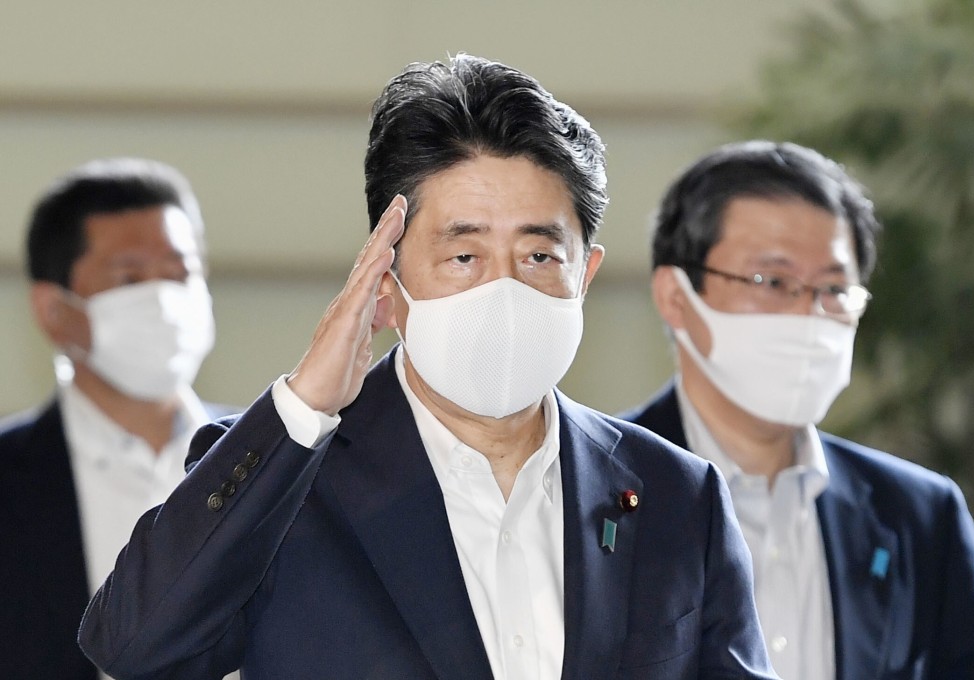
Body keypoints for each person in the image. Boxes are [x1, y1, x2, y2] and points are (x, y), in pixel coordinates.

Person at [77, 55, 777, 680]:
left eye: (538, 255)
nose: (504, 290)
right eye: (464, 256)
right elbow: (135, 646)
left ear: (584, 274)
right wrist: (306, 404)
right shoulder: (290, 481)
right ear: (385, 280)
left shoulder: (677, 496)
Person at [619, 140, 974, 679]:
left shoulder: (918, 513)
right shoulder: (594, 489)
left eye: (833, 288)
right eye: (772, 282)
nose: (807, 315)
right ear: (675, 296)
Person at [0, 158, 232, 680]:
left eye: (181, 273)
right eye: (129, 279)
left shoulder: (271, 457)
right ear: (55, 311)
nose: (164, 302)